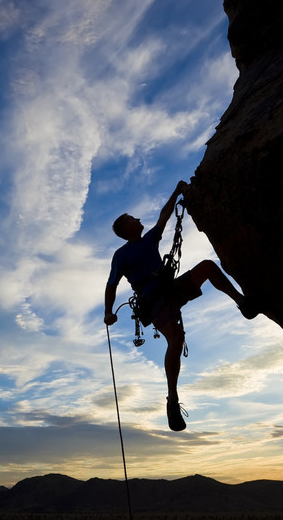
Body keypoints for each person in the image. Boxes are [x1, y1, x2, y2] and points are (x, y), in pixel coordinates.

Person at [103, 179, 258, 431]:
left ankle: (243, 303)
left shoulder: (149, 239)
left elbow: (164, 217)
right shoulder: (121, 256)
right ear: (126, 228)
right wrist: (108, 312)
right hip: (153, 301)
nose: (138, 218)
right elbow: (111, 285)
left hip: (169, 289)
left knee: (207, 267)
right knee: (175, 338)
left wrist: (176, 191)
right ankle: (172, 399)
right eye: (132, 218)